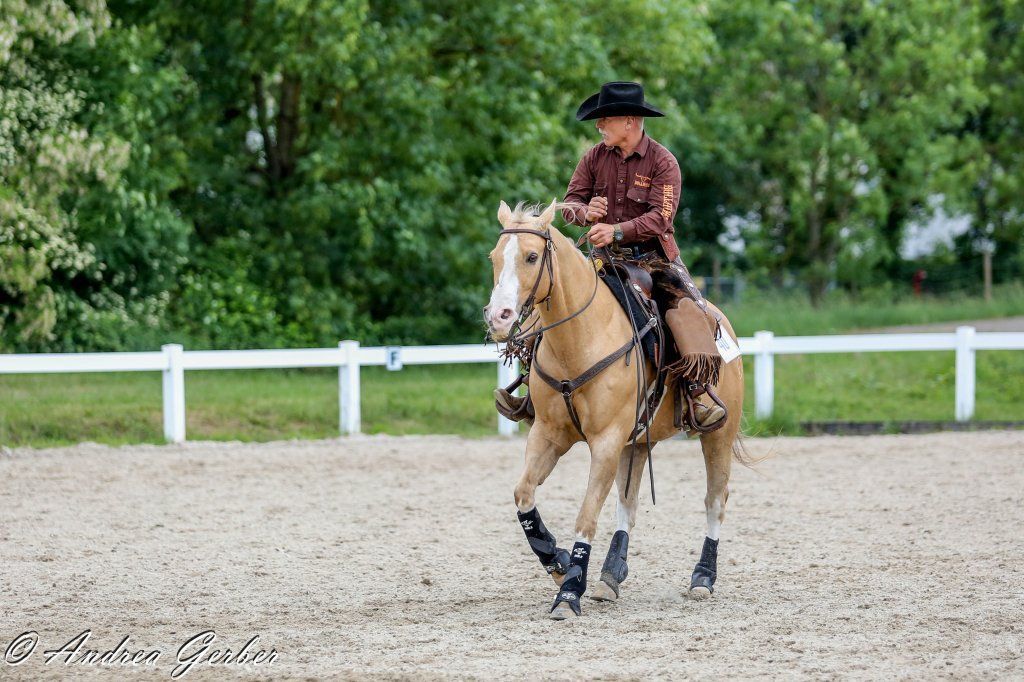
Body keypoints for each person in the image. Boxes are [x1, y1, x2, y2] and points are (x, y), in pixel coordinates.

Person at [496, 81, 726, 429]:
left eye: (606, 119)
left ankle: (695, 395)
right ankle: (533, 390)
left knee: (685, 313)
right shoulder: (593, 157)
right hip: (604, 259)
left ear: (630, 121)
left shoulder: (663, 163)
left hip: (655, 260)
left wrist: (617, 230)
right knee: (552, 303)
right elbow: (569, 204)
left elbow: (661, 218)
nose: (599, 126)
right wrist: (585, 212)